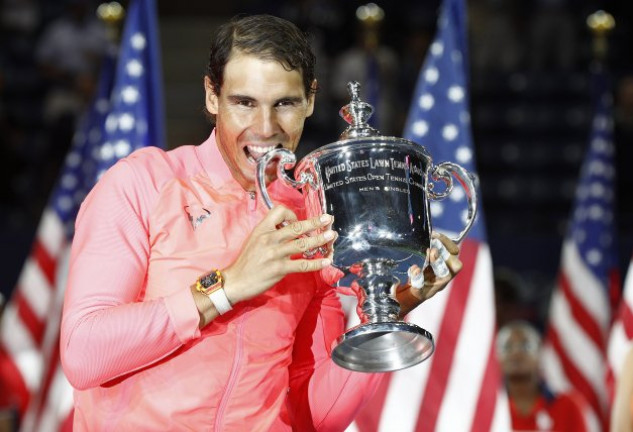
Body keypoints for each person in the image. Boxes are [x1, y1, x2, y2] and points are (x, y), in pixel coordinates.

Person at [60, 14, 462, 431]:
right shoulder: (142, 183)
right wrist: (226, 286)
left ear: (309, 100)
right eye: (245, 102)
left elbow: (315, 416)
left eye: (284, 103)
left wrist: (389, 314)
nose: (266, 128)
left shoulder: (312, 218)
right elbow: (83, 352)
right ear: (212, 96)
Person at [497, 321, 589, 432]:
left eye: (526, 346)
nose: (516, 353)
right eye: (507, 347)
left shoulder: (569, 406)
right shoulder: (488, 408)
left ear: (540, 353)